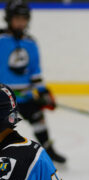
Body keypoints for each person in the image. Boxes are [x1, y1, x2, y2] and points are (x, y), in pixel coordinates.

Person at [0, 0, 66, 164]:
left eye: (24, 19)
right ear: (9, 18)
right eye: (17, 18)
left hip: (25, 96)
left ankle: (48, 149)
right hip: (3, 98)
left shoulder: (31, 42)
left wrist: (43, 92)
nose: (21, 22)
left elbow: (35, 71)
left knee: (39, 120)